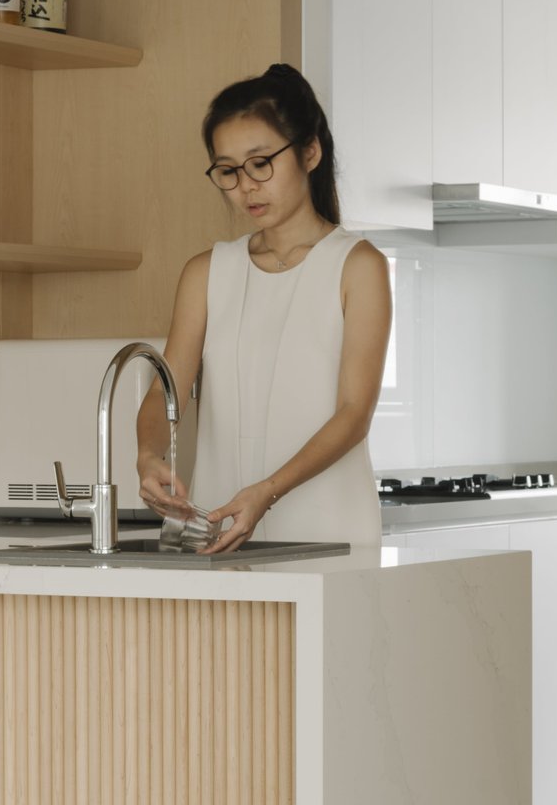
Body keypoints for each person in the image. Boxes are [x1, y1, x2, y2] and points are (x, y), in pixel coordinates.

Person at [136, 64, 391, 553]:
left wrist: (267, 493)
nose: (246, 186)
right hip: (219, 531)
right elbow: (164, 394)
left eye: (261, 163)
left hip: (331, 529)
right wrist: (148, 457)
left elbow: (354, 413)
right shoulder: (206, 272)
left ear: (310, 152)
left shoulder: (359, 267)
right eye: (228, 171)